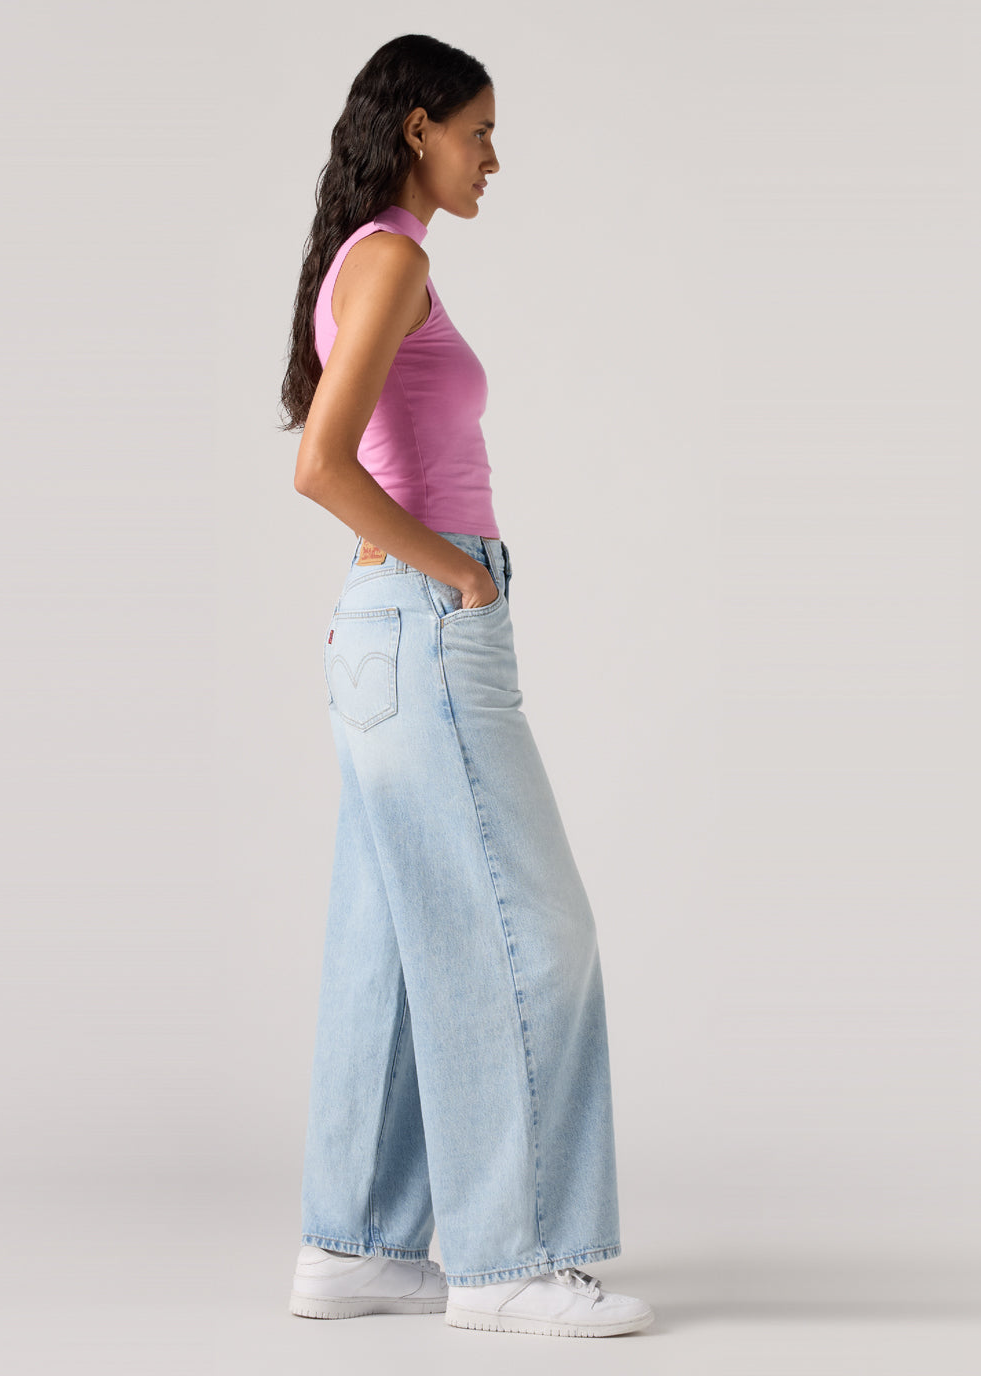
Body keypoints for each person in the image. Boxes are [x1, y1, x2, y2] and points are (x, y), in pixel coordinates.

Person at [278, 33, 655, 1339]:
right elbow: (321, 465)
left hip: (382, 638)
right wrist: (459, 575)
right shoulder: (390, 258)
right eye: (480, 132)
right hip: (426, 625)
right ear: (418, 128)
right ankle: (509, 1259)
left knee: (388, 946)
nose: (493, 157)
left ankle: (354, 1249)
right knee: (532, 933)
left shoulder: (362, 257)